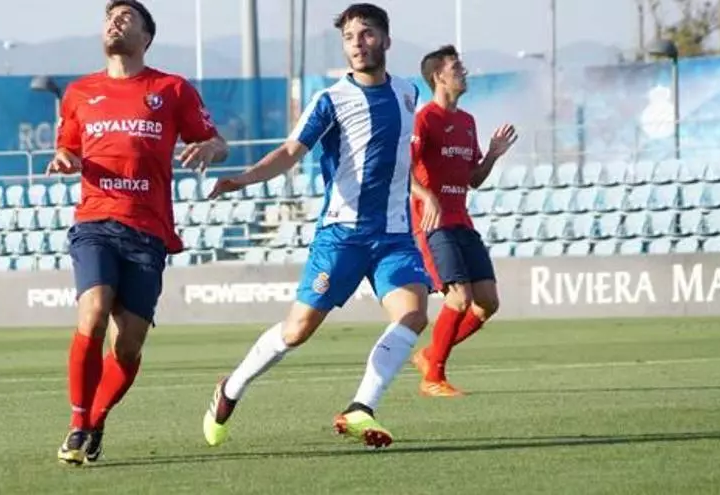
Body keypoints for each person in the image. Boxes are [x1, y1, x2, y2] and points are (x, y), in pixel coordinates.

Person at [202, 3, 430, 450]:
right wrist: (244, 178)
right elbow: (291, 152)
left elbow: (399, 159)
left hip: (394, 234)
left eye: (366, 34)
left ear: (386, 40)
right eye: (349, 37)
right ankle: (230, 388)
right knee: (297, 330)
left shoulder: (408, 92)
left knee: (413, 314)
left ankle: (361, 407)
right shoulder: (331, 100)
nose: (357, 44)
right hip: (342, 235)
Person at [47, 0, 228, 465]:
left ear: (146, 37)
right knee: (93, 311)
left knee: (127, 346)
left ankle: (96, 420)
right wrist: (65, 158)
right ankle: (77, 424)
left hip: (148, 230)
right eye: (110, 17)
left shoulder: (171, 89)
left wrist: (211, 148)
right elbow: (67, 148)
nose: (115, 22)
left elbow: (218, 142)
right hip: (94, 221)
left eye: (126, 17)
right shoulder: (80, 92)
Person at [409, 45, 517, 396]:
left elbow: (474, 179)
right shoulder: (424, 119)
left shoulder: (467, 122)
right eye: (457, 67)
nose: (464, 72)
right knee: (458, 298)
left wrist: (493, 155)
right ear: (438, 76)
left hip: (462, 222)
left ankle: (430, 355)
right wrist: (426, 196)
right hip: (432, 224)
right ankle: (433, 378)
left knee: (487, 303)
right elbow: (400, 170)